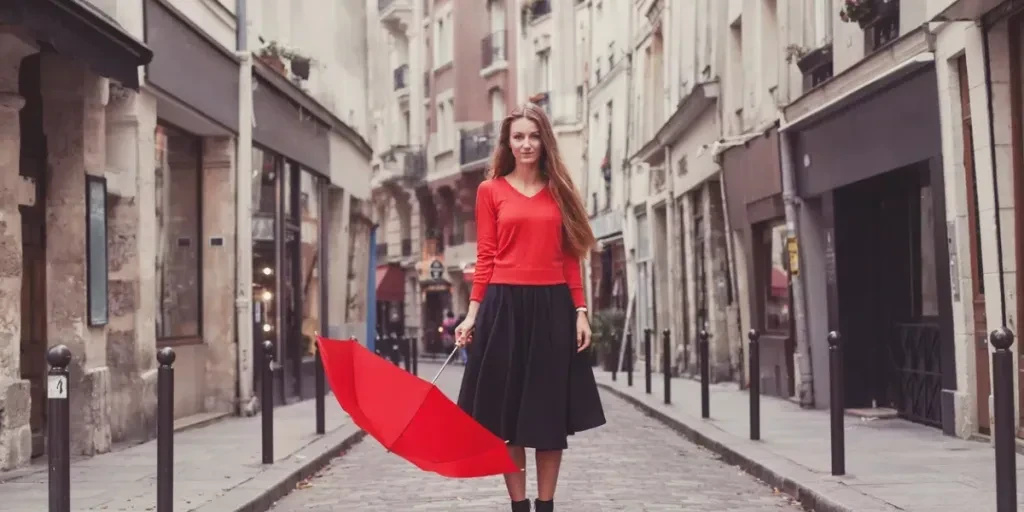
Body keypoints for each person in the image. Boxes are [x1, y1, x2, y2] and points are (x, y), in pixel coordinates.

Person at [455, 103, 606, 512]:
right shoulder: (491, 191)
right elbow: (486, 255)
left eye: (533, 136)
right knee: (509, 423)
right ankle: (518, 507)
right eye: (518, 137)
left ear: (545, 141)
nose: (526, 144)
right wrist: (472, 313)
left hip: (552, 307)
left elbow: (571, 256)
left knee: (548, 419)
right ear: (508, 143)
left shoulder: (560, 191)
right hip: (503, 308)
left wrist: (580, 311)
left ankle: (546, 506)